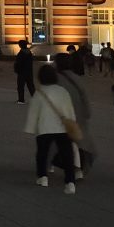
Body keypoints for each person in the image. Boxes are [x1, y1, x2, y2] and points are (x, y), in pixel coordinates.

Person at [23, 64, 78, 194]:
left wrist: (30, 128)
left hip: (44, 128)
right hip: (62, 128)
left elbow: (33, 113)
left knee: (42, 153)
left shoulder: (39, 92)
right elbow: (69, 109)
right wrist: (73, 123)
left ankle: (43, 177)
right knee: (67, 154)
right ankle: (70, 181)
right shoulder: (62, 91)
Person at [54, 53, 94, 179]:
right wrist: (86, 112)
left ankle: (74, 168)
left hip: (64, 117)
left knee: (63, 143)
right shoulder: (76, 78)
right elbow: (84, 97)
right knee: (76, 143)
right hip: (78, 115)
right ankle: (78, 169)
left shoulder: (56, 79)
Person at [13, 39, 35, 104]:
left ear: (21, 45)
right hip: (29, 72)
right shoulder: (29, 53)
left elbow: (18, 63)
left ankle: (21, 100)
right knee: (31, 86)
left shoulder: (21, 53)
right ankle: (36, 99)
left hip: (22, 72)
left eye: (19, 44)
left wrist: (16, 69)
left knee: (20, 86)